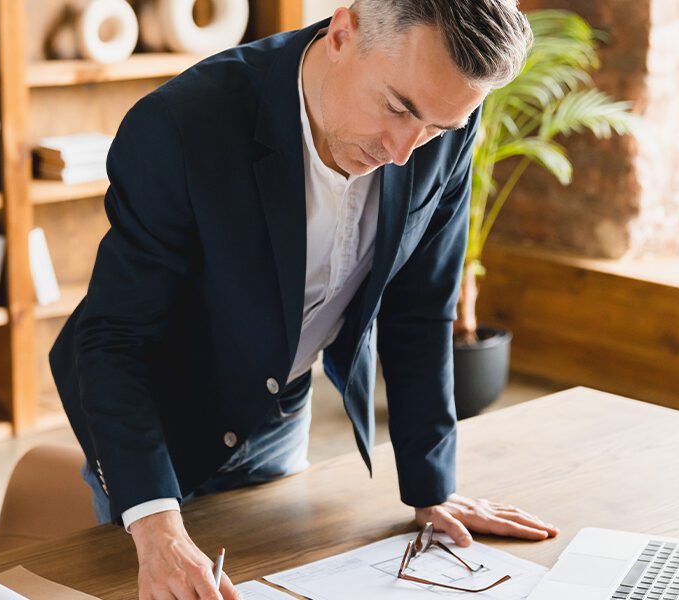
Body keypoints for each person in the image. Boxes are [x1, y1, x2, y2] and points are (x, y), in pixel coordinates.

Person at [49, 1, 556, 598]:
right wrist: (155, 524)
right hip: (160, 418)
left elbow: (420, 307)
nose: (403, 151)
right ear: (343, 33)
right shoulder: (181, 125)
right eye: (397, 108)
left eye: (436, 130)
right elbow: (116, 337)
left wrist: (431, 488)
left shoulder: (443, 125)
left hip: (282, 407)